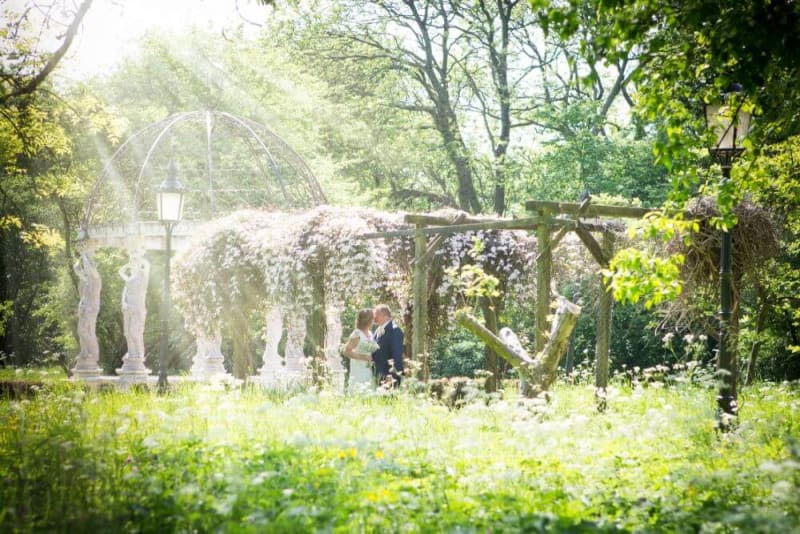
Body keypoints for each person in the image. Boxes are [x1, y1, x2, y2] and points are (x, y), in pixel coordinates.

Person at [342, 308, 378, 389]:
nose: (374, 320)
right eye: (372, 318)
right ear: (368, 320)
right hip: (358, 368)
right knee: (359, 389)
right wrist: (363, 357)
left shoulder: (370, 333)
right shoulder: (357, 334)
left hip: (368, 368)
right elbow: (346, 351)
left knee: (369, 389)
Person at [371, 304, 404, 387]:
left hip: (388, 377)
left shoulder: (395, 330)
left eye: (376, 315)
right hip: (377, 375)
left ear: (385, 316)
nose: (374, 317)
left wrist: (392, 375)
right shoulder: (377, 330)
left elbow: (397, 355)